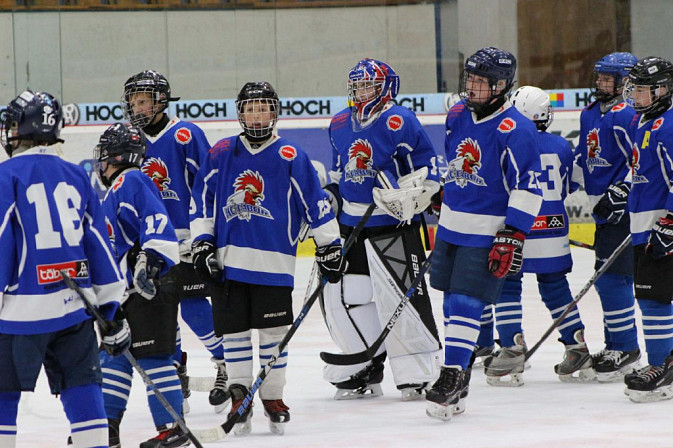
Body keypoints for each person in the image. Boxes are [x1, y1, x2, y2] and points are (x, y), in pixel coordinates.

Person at [190, 81, 343, 435]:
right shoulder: (222, 152)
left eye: (264, 108)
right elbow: (202, 199)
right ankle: (239, 397)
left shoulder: (290, 154)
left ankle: (272, 396)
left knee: (274, 333)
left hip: (275, 263)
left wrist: (330, 245)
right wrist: (202, 241)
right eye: (251, 108)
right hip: (228, 262)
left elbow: (316, 203)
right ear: (240, 113)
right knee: (235, 333)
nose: (257, 115)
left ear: (274, 112)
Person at [0, 90, 127, 448]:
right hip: (74, 311)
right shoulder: (76, 175)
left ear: (20, 128)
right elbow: (100, 244)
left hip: (16, 315)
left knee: (3, 397)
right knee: (83, 390)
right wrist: (111, 309)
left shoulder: (5, 175)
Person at [425, 47, 543, 421]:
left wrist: (513, 233)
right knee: (448, 296)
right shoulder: (458, 114)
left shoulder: (516, 129)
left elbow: (528, 186)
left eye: (481, 82)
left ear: (501, 86)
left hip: (486, 232)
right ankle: (457, 372)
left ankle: (452, 373)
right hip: (450, 227)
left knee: (466, 298)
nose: (472, 88)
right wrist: (444, 191)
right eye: (470, 80)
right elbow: (455, 162)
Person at [321, 58, 442, 401]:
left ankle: (416, 373)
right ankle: (365, 361)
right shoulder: (340, 122)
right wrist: (329, 198)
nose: (361, 92)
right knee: (343, 296)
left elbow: (428, 169)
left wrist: (413, 194)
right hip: (350, 227)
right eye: (357, 85)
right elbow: (337, 175)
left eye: (369, 85)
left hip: (392, 225)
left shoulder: (399, 119)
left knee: (401, 301)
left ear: (386, 86)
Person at [122, 70, 229, 413]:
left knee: (196, 310)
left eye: (143, 101)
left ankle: (226, 364)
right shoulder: (130, 140)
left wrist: (205, 234)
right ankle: (175, 368)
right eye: (133, 101)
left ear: (161, 101)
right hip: (149, 246)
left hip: (186, 241)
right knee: (160, 315)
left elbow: (209, 184)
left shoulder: (186, 135)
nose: (137, 107)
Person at [478, 86, 594, 386]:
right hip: (553, 230)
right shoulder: (561, 145)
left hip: (520, 229)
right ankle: (577, 345)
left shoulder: (508, 140)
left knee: (506, 285)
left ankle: (511, 349)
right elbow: (569, 187)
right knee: (556, 288)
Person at [93, 123, 186, 447]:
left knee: (152, 358)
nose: (100, 162)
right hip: (128, 293)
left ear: (113, 155)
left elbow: (157, 221)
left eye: (104, 155)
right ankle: (108, 428)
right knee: (115, 356)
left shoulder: (131, 180)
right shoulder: (118, 187)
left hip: (149, 286)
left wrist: (152, 260)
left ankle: (173, 428)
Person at [574, 52, 641, 382]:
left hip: (622, 213)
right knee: (610, 278)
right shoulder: (590, 114)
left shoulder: (626, 115)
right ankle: (617, 343)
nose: (599, 82)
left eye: (607, 78)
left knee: (614, 280)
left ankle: (626, 346)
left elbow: (641, 159)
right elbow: (583, 158)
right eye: (598, 76)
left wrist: (622, 192)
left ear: (625, 82)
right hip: (602, 211)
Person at [621, 56, 673, 402]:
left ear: (663, 90)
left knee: (653, 299)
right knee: (653, 296)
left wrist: (670, 221)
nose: (635, 95)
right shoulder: (646, 122)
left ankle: (660, 366)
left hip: (660, 226)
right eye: (634, 88)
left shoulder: (668, 125)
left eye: (642, 89)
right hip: (645, 225)